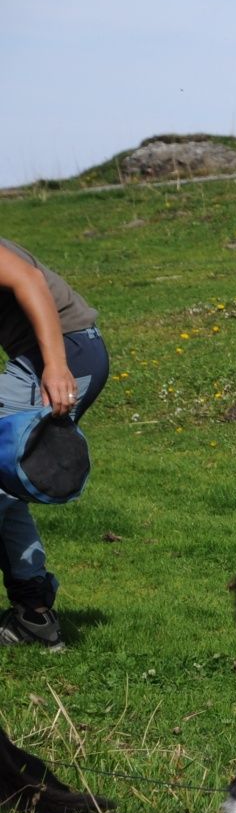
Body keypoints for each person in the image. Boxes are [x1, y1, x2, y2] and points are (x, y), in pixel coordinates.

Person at [0, 238, 107, 648]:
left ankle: (34, 614)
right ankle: (34, 616)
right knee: (4, 487)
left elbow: (29, 279)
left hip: (67, 354)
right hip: (57, 354)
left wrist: (57, 366)